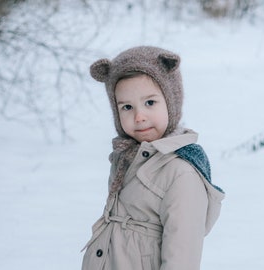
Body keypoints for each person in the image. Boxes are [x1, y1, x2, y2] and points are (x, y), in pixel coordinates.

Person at [81, 46, 225, 270]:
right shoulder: (127, 157)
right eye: (127, 107)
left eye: (150, 103)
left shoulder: (181, 172)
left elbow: (182, 258)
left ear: (171, 102)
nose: (139, 117)